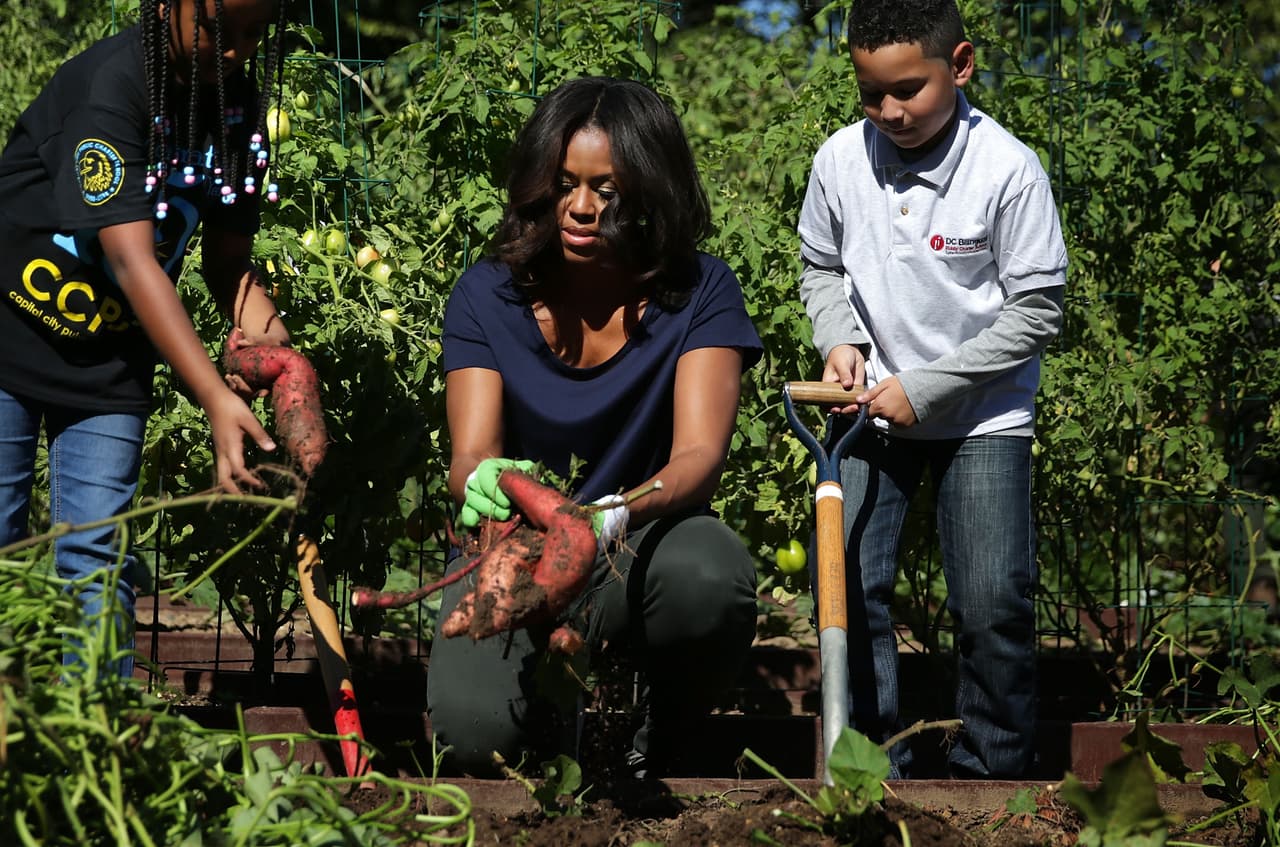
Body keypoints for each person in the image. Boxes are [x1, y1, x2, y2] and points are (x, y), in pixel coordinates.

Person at [426, 76, 762, 779]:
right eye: (565, 183)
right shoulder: (489, 293)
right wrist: (486, 480)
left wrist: (613, 514)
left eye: (606, 189)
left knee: (709, 578)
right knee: (472, 734)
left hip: (636, 545)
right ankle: (550, 720)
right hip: (516, 550)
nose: (580, 208)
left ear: (649, 188)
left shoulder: (699, 291)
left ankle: (653, 732)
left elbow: (699, 454)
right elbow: (472, 456)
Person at [796, 0, 1068, 778]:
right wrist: (838, 338)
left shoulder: (1006, 170)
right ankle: (874, 763)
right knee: (847, 589)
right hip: (867, 415)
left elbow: (1036, 313)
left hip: (984, 415)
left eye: (908, 90)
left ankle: (996, 775)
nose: (889, 112)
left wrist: (928, 385)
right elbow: (821, 266)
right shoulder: (840, 161)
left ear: (962, 65)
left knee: (992, 606)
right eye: (870, 95)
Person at [0, 0, 291, 678]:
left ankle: (91, 734)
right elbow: (132, 260)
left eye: (254, 35)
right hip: (7, 339)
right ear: (168, 4)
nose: (237, 52)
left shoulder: (237, 114)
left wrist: (283, 354)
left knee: (97, 557)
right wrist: (215, 397)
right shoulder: (117, 86)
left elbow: (227, 267)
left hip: (108, 366)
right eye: (219, 31)